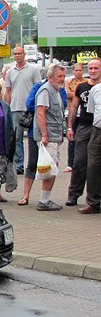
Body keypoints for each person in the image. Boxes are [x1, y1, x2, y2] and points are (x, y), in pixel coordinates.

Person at [32, 63, 67, 211]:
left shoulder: (56, 90)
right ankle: (43, 201)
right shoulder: (46, 90)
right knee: (48, 169)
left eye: (64, 76)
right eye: (60, 76)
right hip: (49, 136)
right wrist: (45, 135)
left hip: (55, 135)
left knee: (53, 167)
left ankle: (46, 199)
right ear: (50, 77)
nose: (62, 79)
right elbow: (41, 113)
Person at [66, 59, 100, 207]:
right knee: (79, 162)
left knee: (95, 165)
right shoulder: (82, 87)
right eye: (90, 68)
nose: (92, 71)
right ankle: (73, 194)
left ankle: (94, 198)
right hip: (84, 126)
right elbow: (74, 107)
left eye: (96, 68)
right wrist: (70, 127)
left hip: (98, 128)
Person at [4, 46, 42, 174]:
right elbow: (8, 91)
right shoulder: (10, 72)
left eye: (19, 53)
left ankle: (35, 164)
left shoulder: (33, 70)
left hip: (30, 109)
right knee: (17, 138)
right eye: (15, 54)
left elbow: (38, 89)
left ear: (24, 54)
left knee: (34, 137)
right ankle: (18, 165)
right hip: (15, 108)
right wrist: (6, 107)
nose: (17, 56)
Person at [78, 82, 101, 214]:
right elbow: (92, 111)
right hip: (97, 131)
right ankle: (93, 202)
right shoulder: (96, 90)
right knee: (92, 166)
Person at [64, 62, 87, 173]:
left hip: (83, 113)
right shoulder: (69, 82)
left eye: (80, 70)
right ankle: (70, 163)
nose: (78, 72)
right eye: (76, 70)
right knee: (71, 138)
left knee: (83, 139)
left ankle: (82, 162)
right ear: (73, 71)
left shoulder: (87, 82)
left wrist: (75, 93)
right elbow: (67, 94)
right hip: (71, 113)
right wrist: (78, 93)